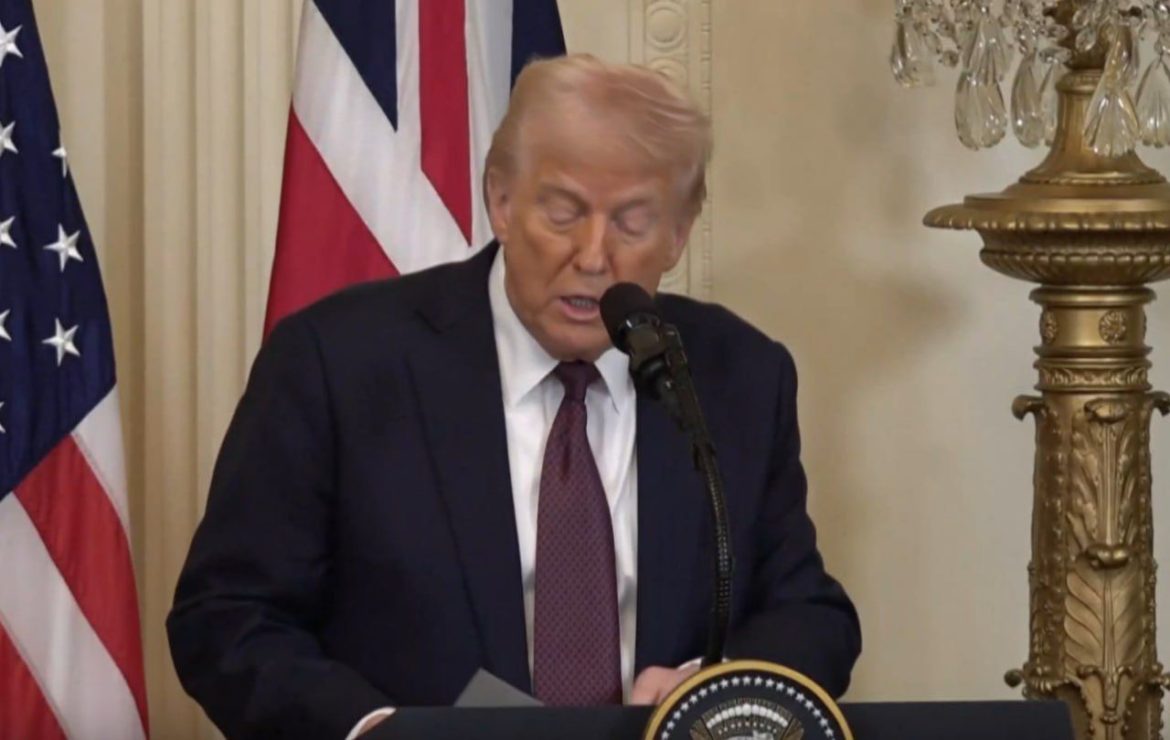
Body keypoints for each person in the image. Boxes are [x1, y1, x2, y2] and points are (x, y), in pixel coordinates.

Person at [167, 53, 860, 739]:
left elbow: (811, 614)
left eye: (632, 223)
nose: (593, 255)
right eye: (562, 213)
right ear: (500, 201)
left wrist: (714, 690)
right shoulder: (340, 363)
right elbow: (228, 616)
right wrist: (377, 731)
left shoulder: (737, 376)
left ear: (678, 235)